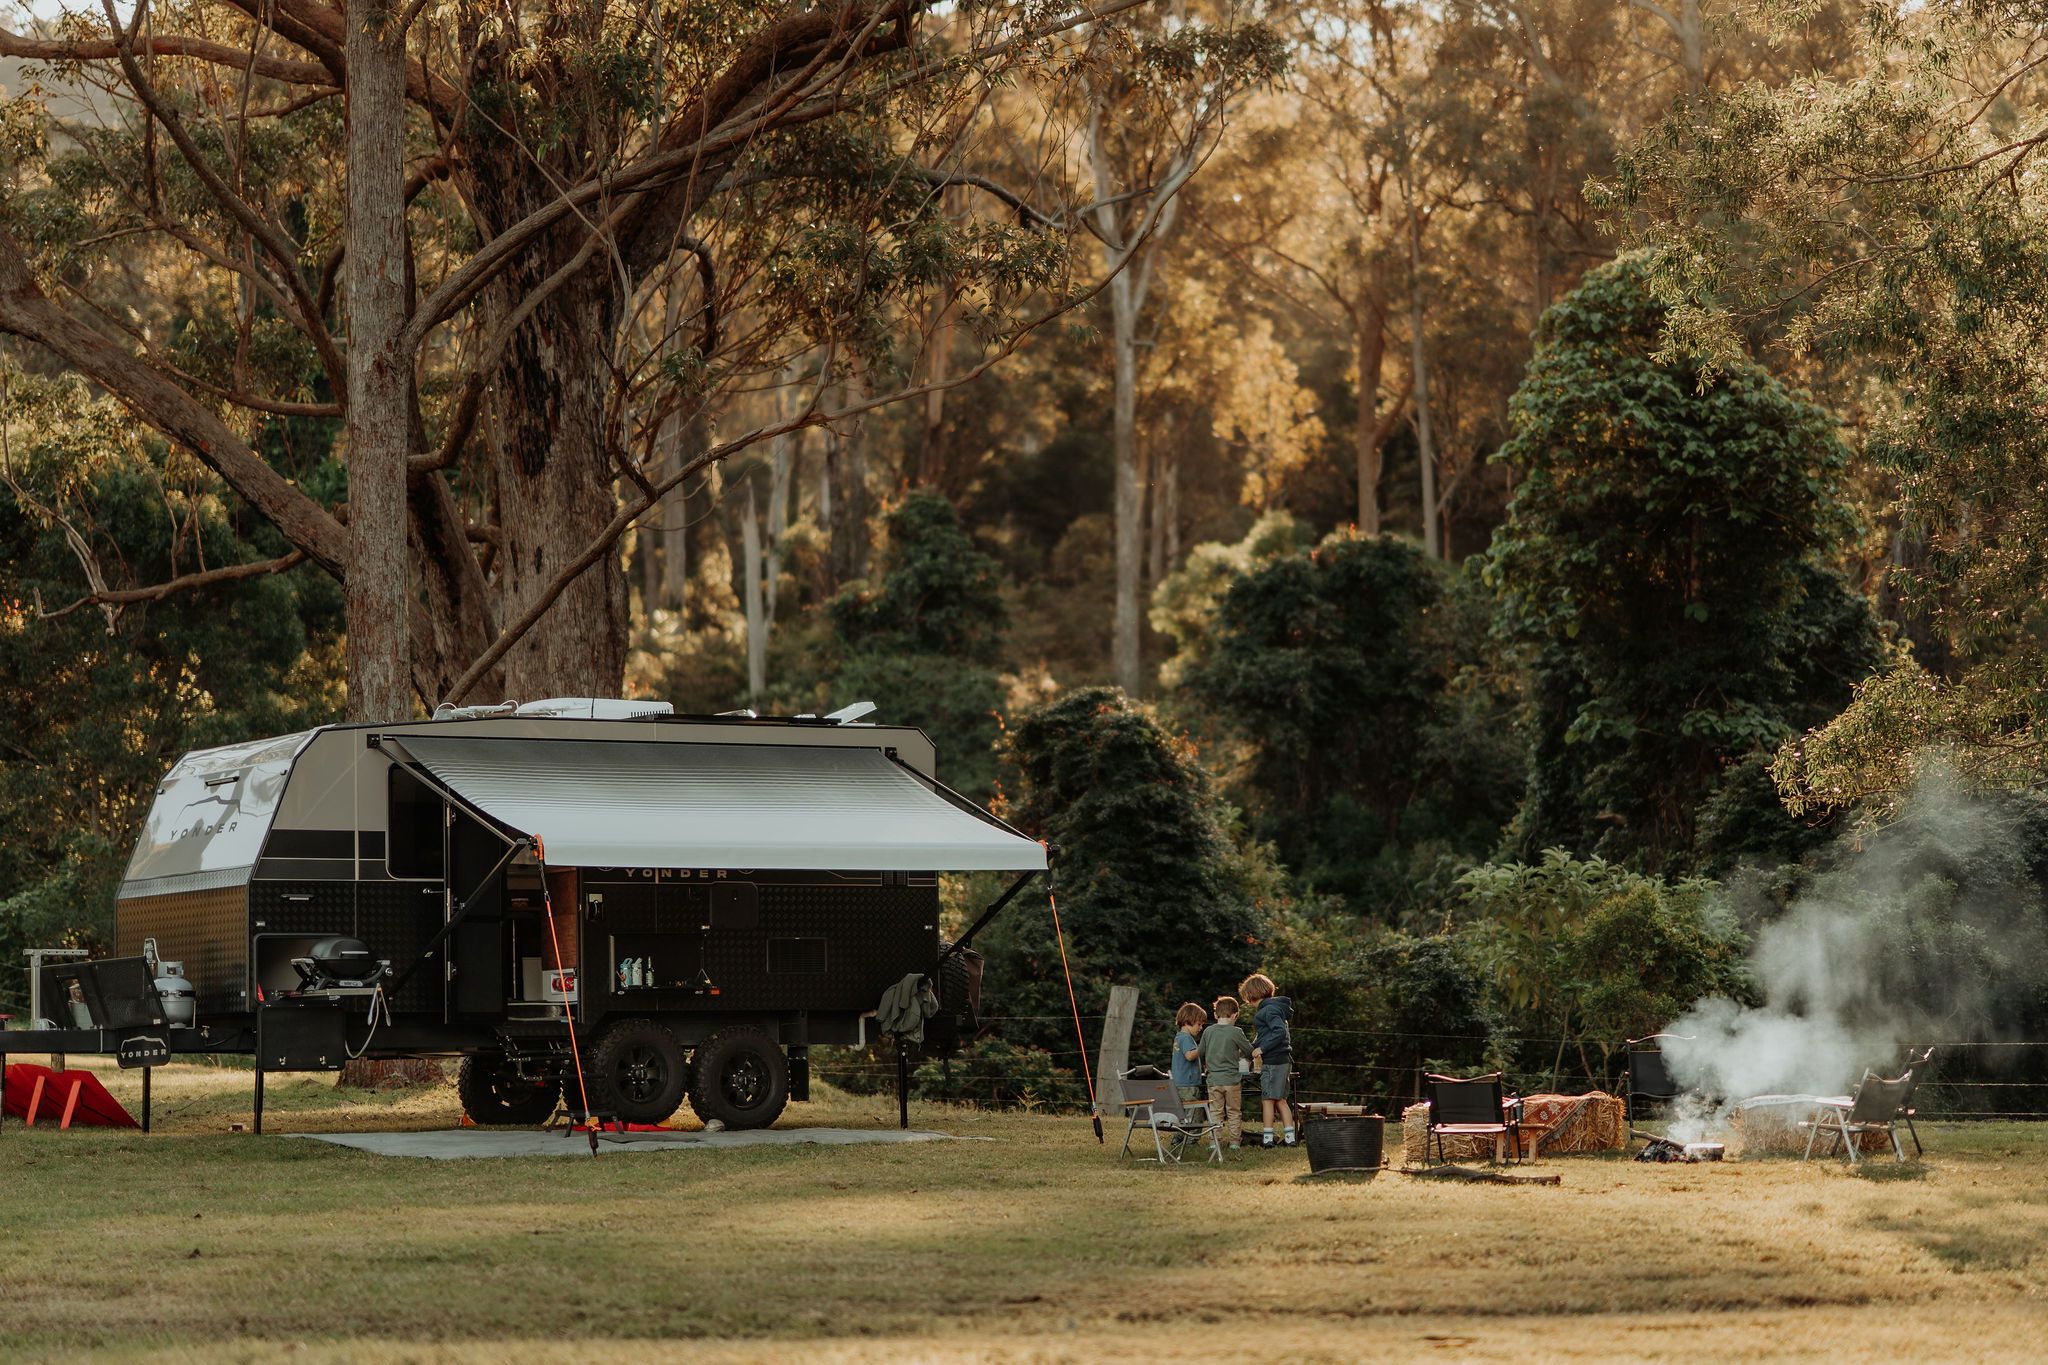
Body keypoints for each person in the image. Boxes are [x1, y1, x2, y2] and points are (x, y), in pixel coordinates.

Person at [1241, 972, 1296, 1147]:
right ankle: (1290, 1138)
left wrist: (1262, 1049)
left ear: (1251, 995)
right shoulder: (1274, 1008)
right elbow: (1263, 1035)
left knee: (1268, 1099)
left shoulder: (1268, 1010)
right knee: (1280, 1099)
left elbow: (1278, 1033)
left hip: (1274, 1060)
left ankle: (1267, 1139)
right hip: (1283, 1059)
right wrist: (1250, 1050)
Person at [1198, 995, 1252, 1148]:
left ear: (1215, 1014)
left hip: (1214, 1080)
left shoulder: (1208, 1031)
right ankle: (1234, 1142)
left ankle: (1214, 1142)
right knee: (1234, 1111)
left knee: (1215, 1112)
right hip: (1232, 1080)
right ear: (1235, 1015)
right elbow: (1249, 1050)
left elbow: (1200, 1052)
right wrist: (1244, 1059)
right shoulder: (1236, 1032)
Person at [1169, 1001, 1207, 1106]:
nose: (1201, 1028)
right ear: (1187, 1022)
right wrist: (1203, 1047)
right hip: (1188, 1085)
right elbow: (1189, 1056)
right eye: (1199, 1024)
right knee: (1193, 1113)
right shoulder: (1186, 1038)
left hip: (1180, 1083)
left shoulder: (1179, 1037)